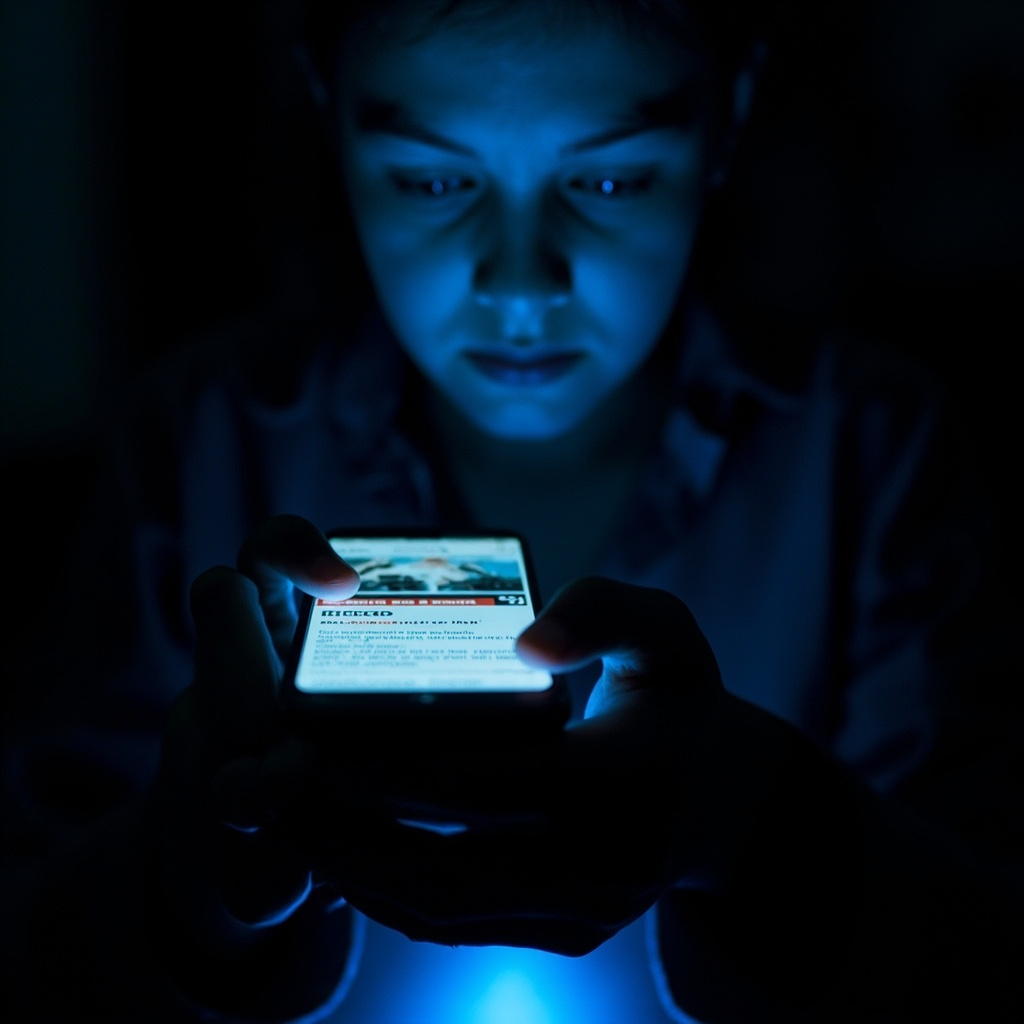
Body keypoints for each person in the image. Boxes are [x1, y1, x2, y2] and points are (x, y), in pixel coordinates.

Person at [2, 1, 1021, 1021]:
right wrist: (193, 885)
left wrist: (766, 823)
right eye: (433, 182)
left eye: (612, 180)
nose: (522, 285)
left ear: (729, 115)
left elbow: (980, 948)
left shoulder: (875, 449)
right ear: (329, 111)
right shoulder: (198, 440)